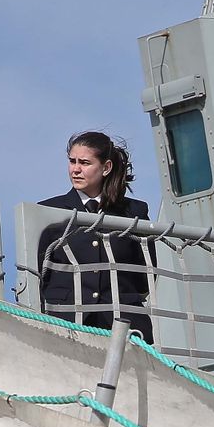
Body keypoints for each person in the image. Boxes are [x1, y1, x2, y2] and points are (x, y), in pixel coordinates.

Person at [37, 131, 155, 343]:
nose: (75, 169)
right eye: (72, 161)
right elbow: (40, 273)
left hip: (125, 327)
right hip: (66, 325)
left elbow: (145, 275)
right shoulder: (48, 211)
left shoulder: (134, 211)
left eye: (84, 162)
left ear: (106, 167)